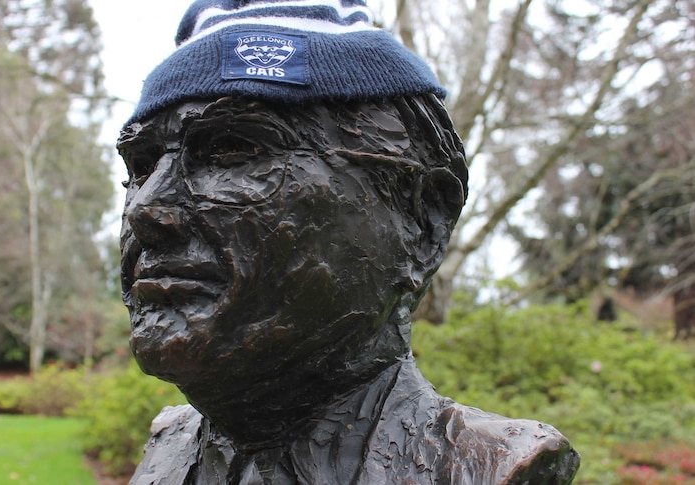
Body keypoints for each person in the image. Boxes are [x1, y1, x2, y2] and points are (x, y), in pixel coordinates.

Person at [118, 1, 580, 483]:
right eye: (142, 167)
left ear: (423, 222)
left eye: (232, 150)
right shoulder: (165, 455)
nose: (145, 210)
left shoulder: (481, 469)